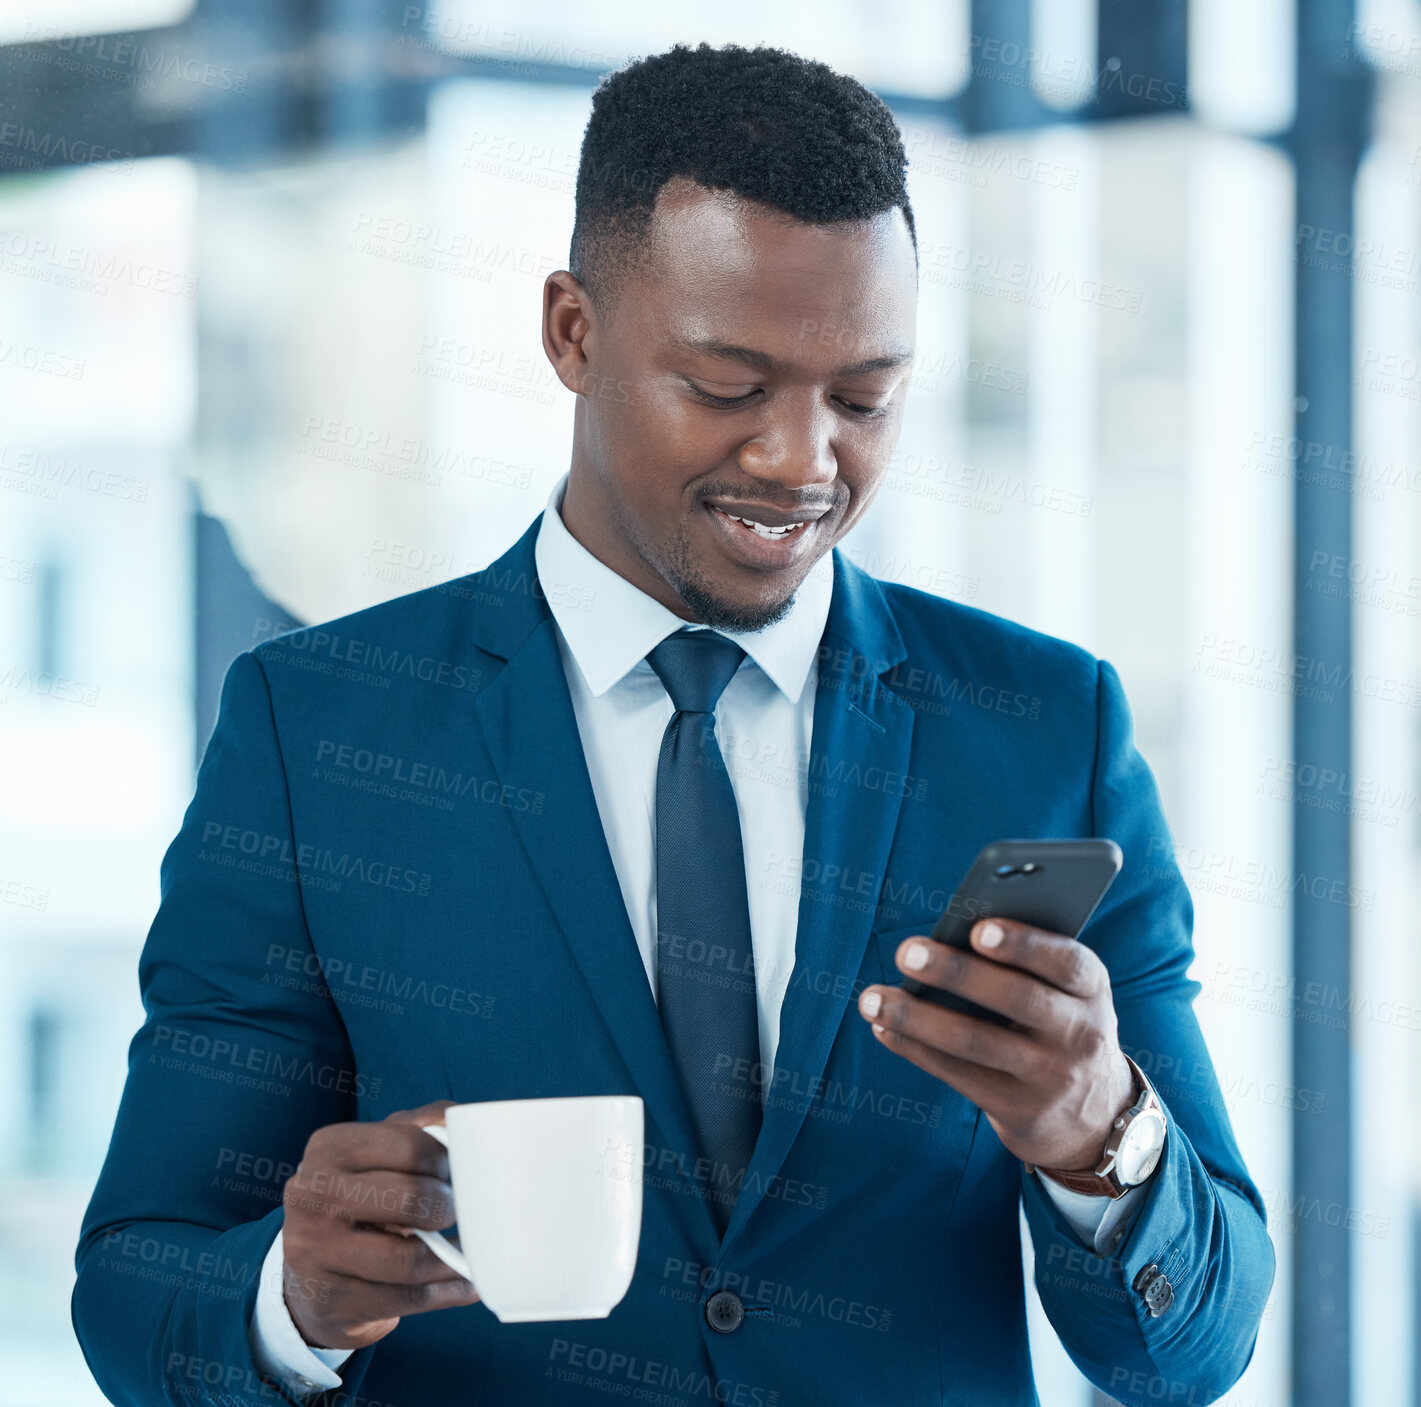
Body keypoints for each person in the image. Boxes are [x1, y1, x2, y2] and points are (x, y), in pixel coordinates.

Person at [74, 41, 1273, 1407]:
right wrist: (292, 1298)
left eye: (864, 396)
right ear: (572, 332)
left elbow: (1198, 1346)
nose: (800, 462)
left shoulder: (1044, 726)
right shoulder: (317, 733)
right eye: (726, 386)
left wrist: (1098, 1142)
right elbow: (133, 1295)